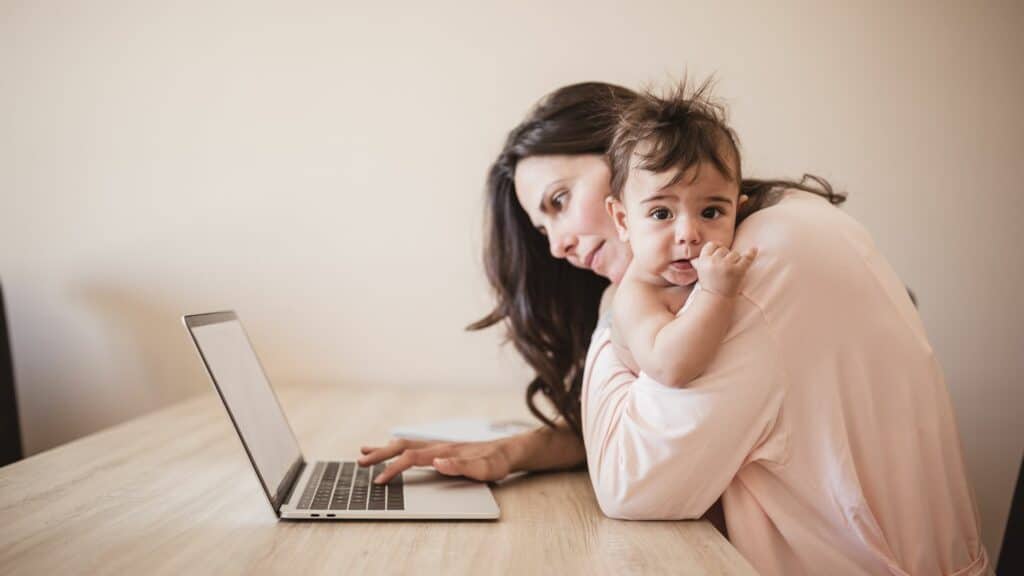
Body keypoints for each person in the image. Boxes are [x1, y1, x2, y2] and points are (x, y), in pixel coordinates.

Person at [358, 81, 990, 575]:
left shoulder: (755, 261)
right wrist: (518, 451)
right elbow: (677, 417)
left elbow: (635, 484)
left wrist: (621, 295)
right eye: (541, 228)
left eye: (557, 201)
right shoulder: (730, 253)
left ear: (624, 155)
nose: (556, 246)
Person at [604, 84, 759, 386]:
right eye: (661, 214)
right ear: (623, 220)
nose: (688, 235)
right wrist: (717, 294)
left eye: (711, 212)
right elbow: (668, 368)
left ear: (738, 212)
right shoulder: (637, 295)